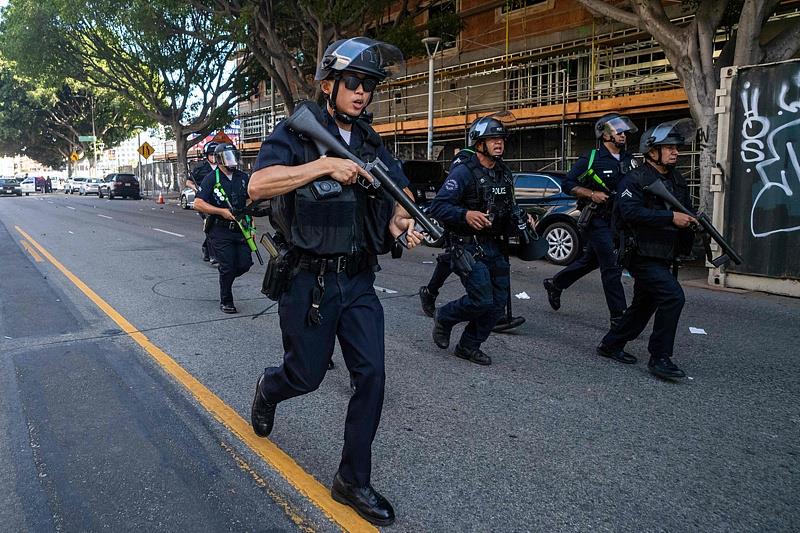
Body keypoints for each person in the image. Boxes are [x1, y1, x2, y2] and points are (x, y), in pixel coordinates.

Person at [246, 37, 423, 526]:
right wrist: (324, 165)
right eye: (353, 82)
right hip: (309, 282)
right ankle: (270, 388)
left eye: (368, 85)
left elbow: (398, 189)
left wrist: (401, 219)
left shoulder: (369, 139)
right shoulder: (296, 133)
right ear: (329, 85)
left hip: (358, 279)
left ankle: (351, 480)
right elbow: (257, 186)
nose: (362, 92)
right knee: (306, 376)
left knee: (373, 377)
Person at [597, 119, 697, 379]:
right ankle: (660, 357)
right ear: (652, 151)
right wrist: (670, 218)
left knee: (645, 303)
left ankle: (611, 344)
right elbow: (629, 212)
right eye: (669, 147)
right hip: (640, 253)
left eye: (677, 148)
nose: (675, 152)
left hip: (663, 253)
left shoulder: (676, 179)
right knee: (673, 297)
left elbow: (685, 210)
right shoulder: (635, 179)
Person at [428, 115, 532, 365]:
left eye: (501, 139)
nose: (499, 143)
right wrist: (465, 214)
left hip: (495, 245)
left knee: (497, 305)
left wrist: (523, 217)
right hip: (467, 245)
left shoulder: (504, 172)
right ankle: (445, 316)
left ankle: (468, 346)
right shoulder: (463, 172)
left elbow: (509, 205)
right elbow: (438, 207)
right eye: (492, 139)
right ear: (478, 143)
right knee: (481, 299)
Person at [542, 113, 638, 329]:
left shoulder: (630, 160)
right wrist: (591, 194)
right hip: (598, 220)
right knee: (612, 266)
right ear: (605, 135)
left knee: (591, 261)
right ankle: (619, 318)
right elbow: (568, 183)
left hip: (621, 221)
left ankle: (555, 284)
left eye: (624, 131)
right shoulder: (591, 158)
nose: (623, 135)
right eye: (618, 131)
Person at [191, 143, 253, 314]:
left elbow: (249, 199)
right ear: (219, 160)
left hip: (241, 229)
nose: (232, 161)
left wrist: (250, 223)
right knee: (227, 266)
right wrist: (221, 212)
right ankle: (226, 300)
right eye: (228, 157)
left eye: (233, 156)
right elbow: (198, 203)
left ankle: (227, 276)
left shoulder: (243, 177)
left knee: (245, 263)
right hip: (220, 230)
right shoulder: (211, 178)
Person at [187, 142, 219, 264]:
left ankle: (206, 248)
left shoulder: (223, 166)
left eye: (216, 154)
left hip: (219, 201)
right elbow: (188, 182)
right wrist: (196, 188)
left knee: (216, 227)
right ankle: (213, 255)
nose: (214, 157)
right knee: (211, 226)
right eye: (211, 154)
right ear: (206, 156)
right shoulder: (200, 168)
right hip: (204, 201)